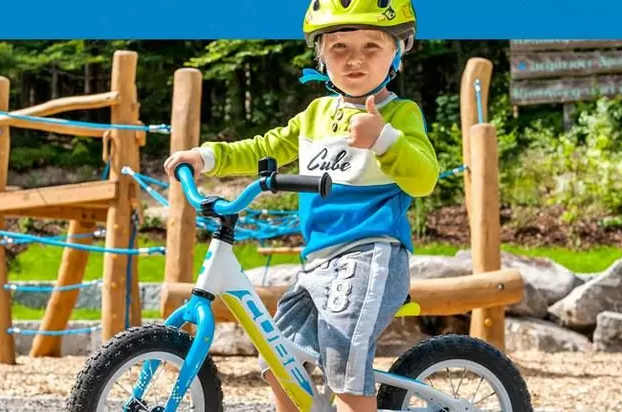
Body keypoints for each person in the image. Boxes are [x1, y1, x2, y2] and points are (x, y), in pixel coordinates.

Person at [164, 1, 438, 410]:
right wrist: (206, 157)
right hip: (318, 260)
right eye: (339, 47)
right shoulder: (315, 115)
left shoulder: (400, 114)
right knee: (281, 356)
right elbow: (265, 147)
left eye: (371, 46)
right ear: (321, 56)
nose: (355, 59)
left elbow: (425, 178)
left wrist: (384, 138)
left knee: (343, 358)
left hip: (370, 253)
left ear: (397, 53)